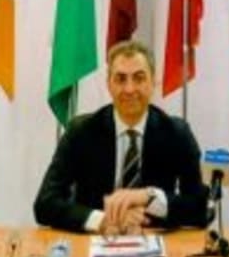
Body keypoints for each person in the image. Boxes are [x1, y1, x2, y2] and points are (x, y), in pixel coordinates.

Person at [33, 40, 208, 234]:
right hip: (94, 243)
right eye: (121, 79)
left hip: (156, 244)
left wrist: (149, 198)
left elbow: (201, 209)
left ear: (153, 83)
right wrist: (102, 220)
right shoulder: (81, 131)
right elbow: (45, 204)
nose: (129, 89)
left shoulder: (177, 133)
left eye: (139, 78)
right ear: (109, 84)